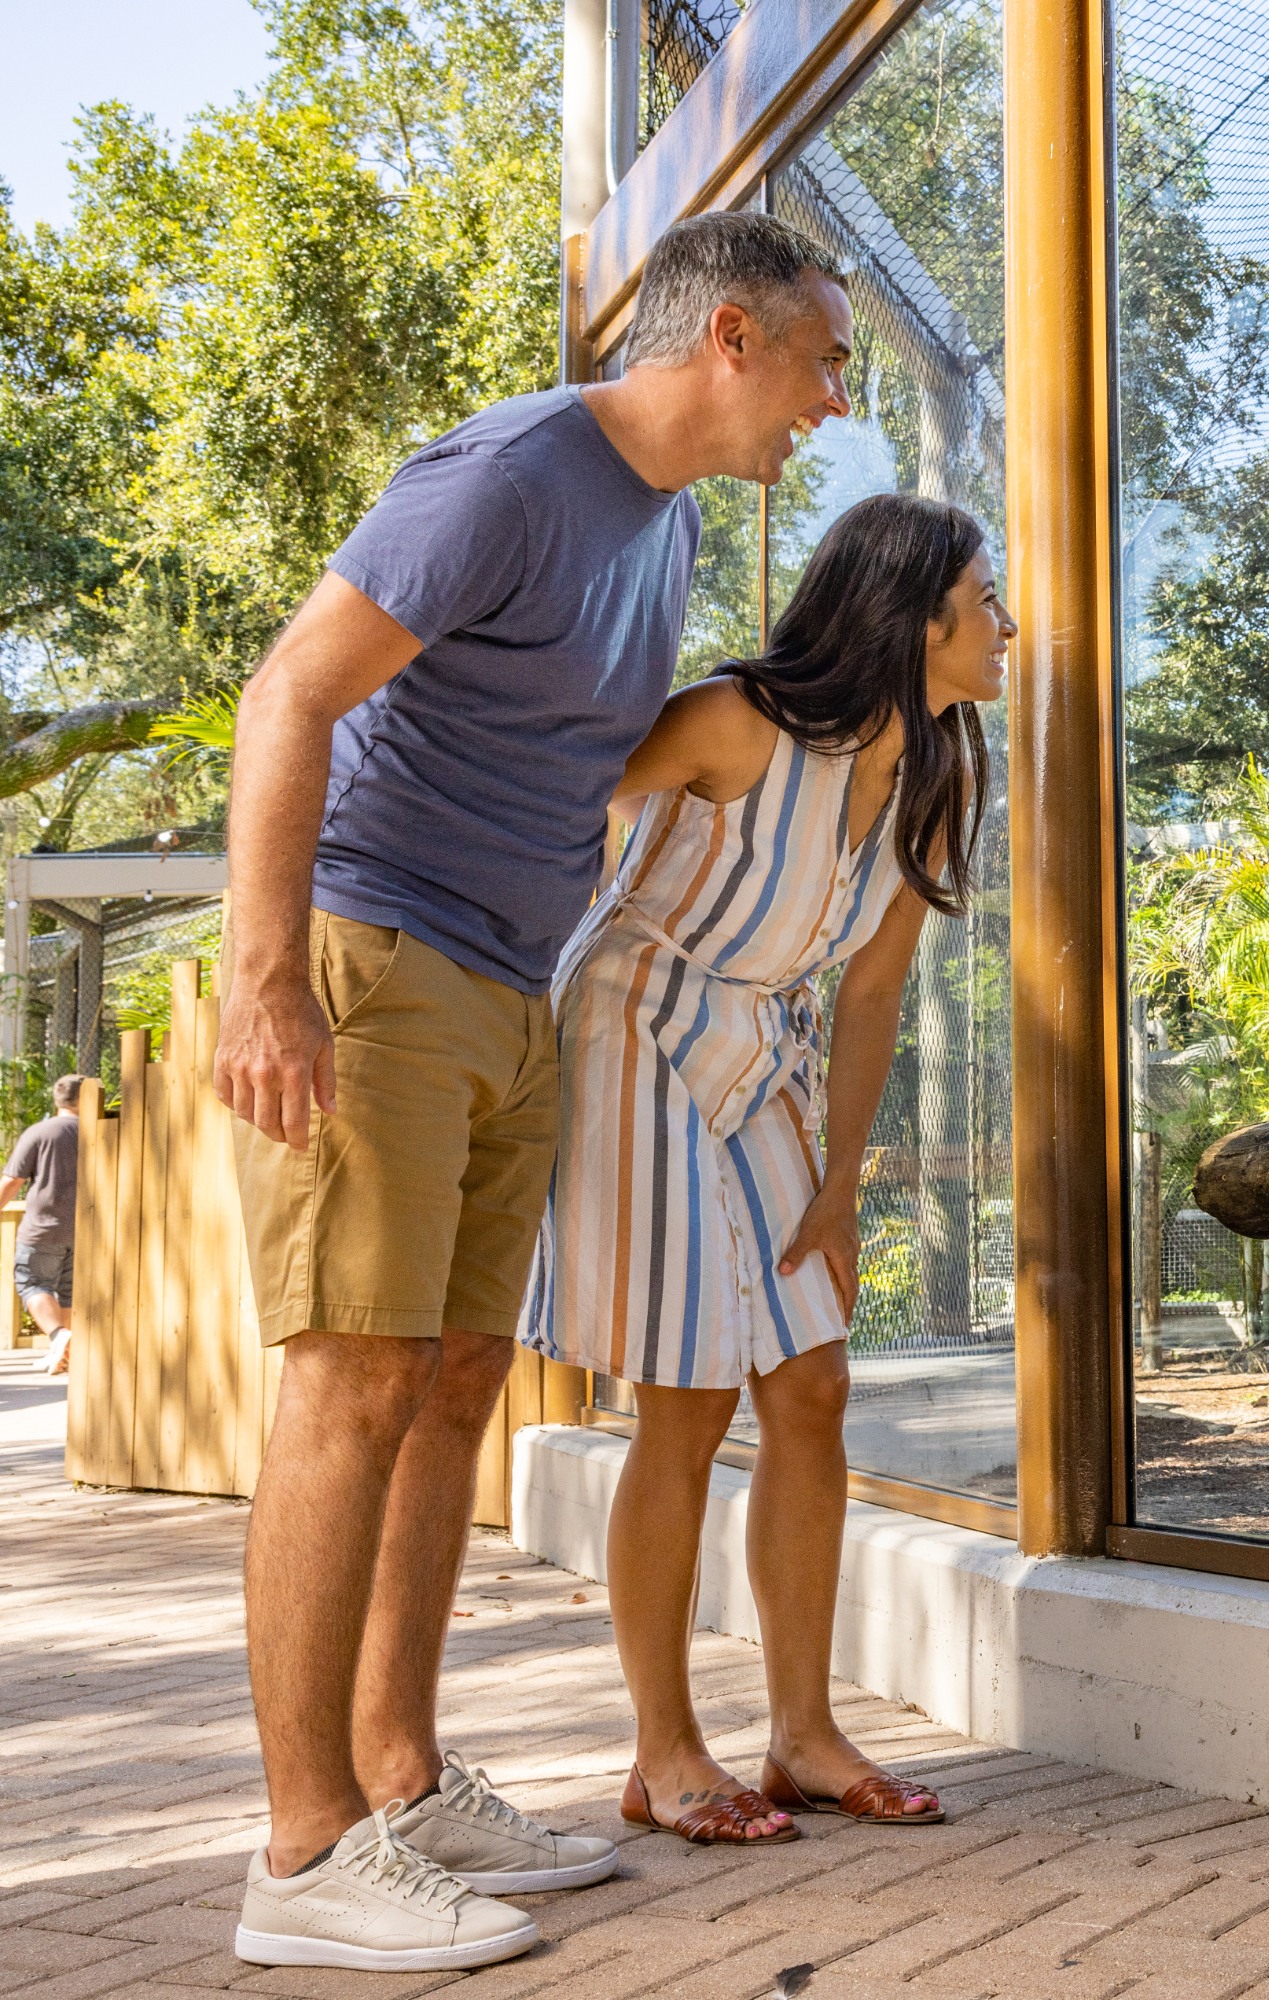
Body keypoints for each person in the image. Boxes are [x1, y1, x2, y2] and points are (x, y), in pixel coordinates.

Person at [210, 211, 855, 1974]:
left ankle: (401, 1786)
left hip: (515, 984)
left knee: (454, 1379)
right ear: (730, 337)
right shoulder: (509, 472)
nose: (836, 398)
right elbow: (290, 695)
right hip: (383, 956)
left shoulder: (670, 522)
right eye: (823, 359)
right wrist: (269, 979)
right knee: (351, 1377)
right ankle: (301, 1852)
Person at [521, 491, 1004, 1845]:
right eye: (988, 597)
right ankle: (665, 1753)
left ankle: (800, 1734)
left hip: (768, 1050)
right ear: (916, 616)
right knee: (682, 1397)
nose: (1010, 624)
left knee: (814, 1384)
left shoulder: (944, 764)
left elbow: (871, 995)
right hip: (636, 1022)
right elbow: (565, 806)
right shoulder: (734, 720)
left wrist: (842, 1175)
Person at [1, 1074, 85, 1376]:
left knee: (32, 1283)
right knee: (67, 1291)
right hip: (85, 1228)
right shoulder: (102, 1131)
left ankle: (57, 1336)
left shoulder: (40, 1132)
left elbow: (12, 1181)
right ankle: (60, 1353)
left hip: (42, 1228)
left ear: (57, 1099)